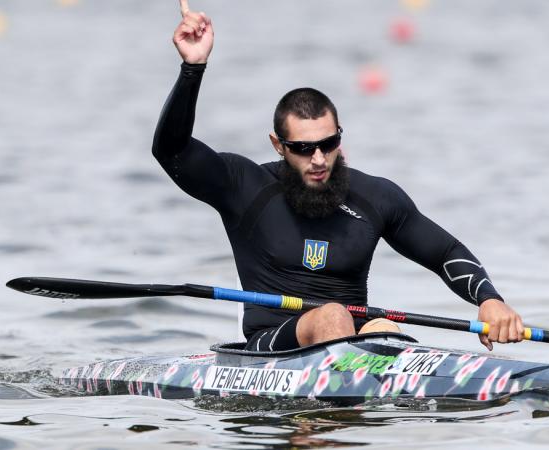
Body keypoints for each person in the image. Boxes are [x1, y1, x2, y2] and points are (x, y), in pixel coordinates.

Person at [152, 2, 524, 352]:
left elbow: (444, 252)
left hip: (353, 340)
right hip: (270, 347)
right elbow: (171, 151)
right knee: (333, 315)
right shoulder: (244, 186)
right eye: (302, 148)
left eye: (329, 144)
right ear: (278, 145)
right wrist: (192, 69)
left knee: (384, 329)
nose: (318, 159)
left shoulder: (375, 197)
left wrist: (489, 299)